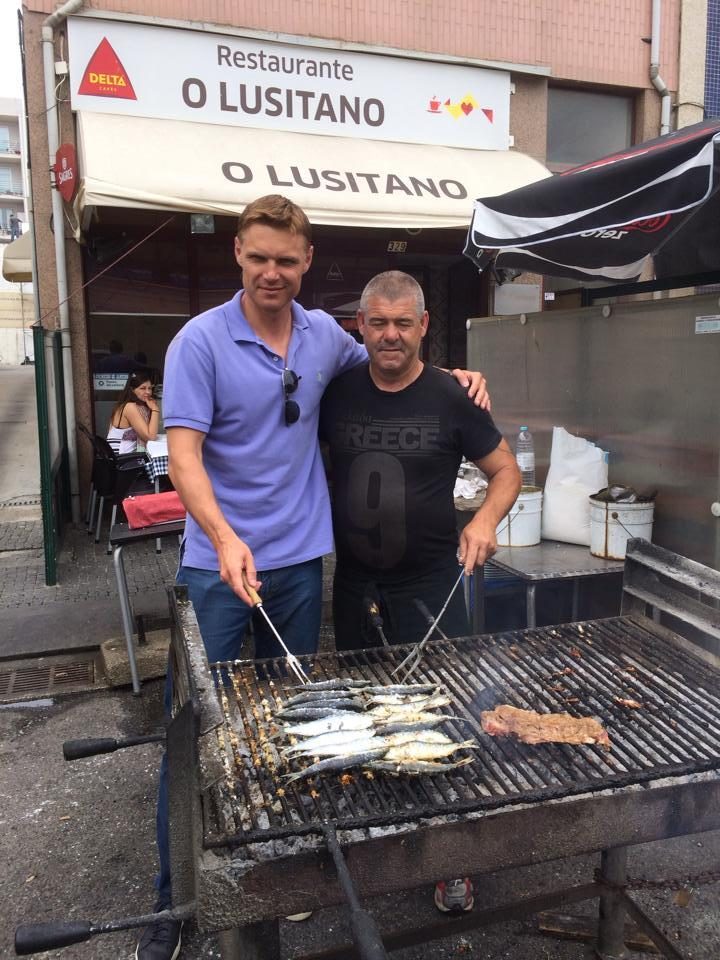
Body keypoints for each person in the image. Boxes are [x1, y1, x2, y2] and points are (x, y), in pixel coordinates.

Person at [136, 195, 489, 960]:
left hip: (299, 564)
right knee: (195, 729)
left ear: (306, 265)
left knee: (291, 724)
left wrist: (459, 376)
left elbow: (399, 362)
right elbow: (185, 456)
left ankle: (279, 867)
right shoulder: (199, 343)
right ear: (238, 253)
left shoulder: (327, 335)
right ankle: (176, 898)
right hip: (219, 567)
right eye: (259, 257)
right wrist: (224, 536)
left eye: (287, 261)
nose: (272, 272)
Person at [320, 271, 522, 916]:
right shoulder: (337, 390)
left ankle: (452, 859)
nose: (390, 335)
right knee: (363, 710)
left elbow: (505, 470)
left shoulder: (452, 396)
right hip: (355, 584)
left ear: (424, 326)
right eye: (378, 322)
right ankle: (377, 833)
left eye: (403, 323)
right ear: (360, 325)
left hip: (432, 583)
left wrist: (485, 521)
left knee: (447, 712)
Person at [106, 370, 160, 454]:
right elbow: (151, 437)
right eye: (142, 388)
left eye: (150, 388)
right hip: (121, 458)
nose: (148, 392)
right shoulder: (130, 407)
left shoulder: (126, 404)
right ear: (132, 390)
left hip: (116, 456)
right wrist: (155, 409)